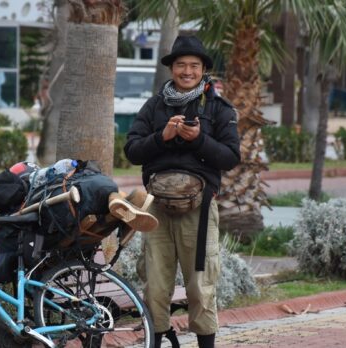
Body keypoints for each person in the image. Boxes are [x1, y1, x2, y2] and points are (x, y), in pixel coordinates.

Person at [123, 35, 240, 348]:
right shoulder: (154, 106)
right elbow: (132, 151)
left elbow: (230, 157)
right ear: (171, 68)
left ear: (203, 70)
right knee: (155, 286)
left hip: (199, 211)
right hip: (156, 209)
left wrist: (198, 139)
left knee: (201, 286)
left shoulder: (218, 108)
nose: (187, 71)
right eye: (180, 65)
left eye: (194, 66)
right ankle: (155, 342)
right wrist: (163, 136)